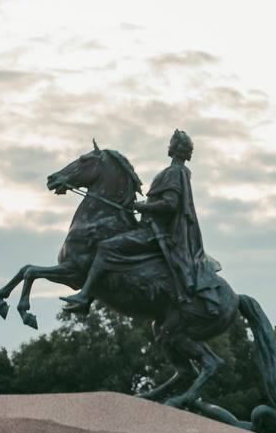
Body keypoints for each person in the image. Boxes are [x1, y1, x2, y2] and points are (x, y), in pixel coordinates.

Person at [62, 129, 223, 316]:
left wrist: (144, 207)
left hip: (157, 233)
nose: (168, 145)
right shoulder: (179, 172)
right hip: (154, 228)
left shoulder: (175, 172)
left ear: (175, 147)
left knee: (107, 247)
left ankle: (85, 296)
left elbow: (170, 204)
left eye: (171, 142)